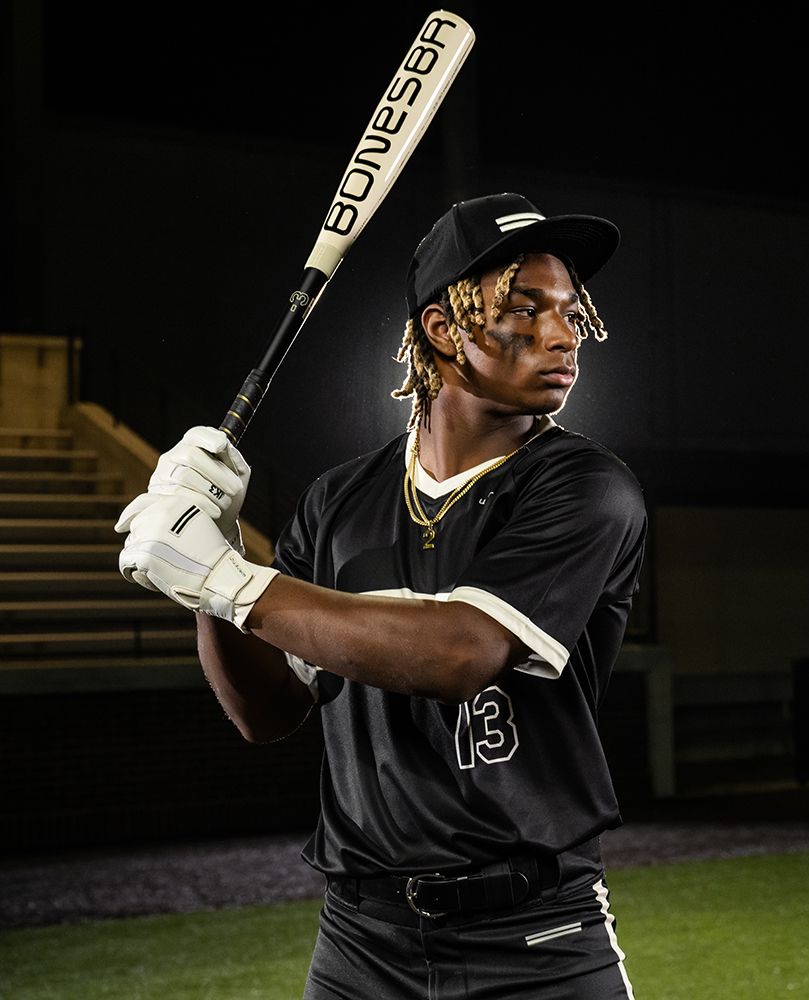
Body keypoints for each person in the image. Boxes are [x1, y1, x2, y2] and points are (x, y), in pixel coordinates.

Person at [115, 192, 649, 999]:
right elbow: (266, 712)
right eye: (525, 308)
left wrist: (231, 579)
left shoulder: (585, 487)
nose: (563, 334)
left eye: (570, 312)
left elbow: (460, 653)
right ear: (443, 328)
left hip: (536, 940)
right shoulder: (336, 502)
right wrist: (212, 578)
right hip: (360, 944)